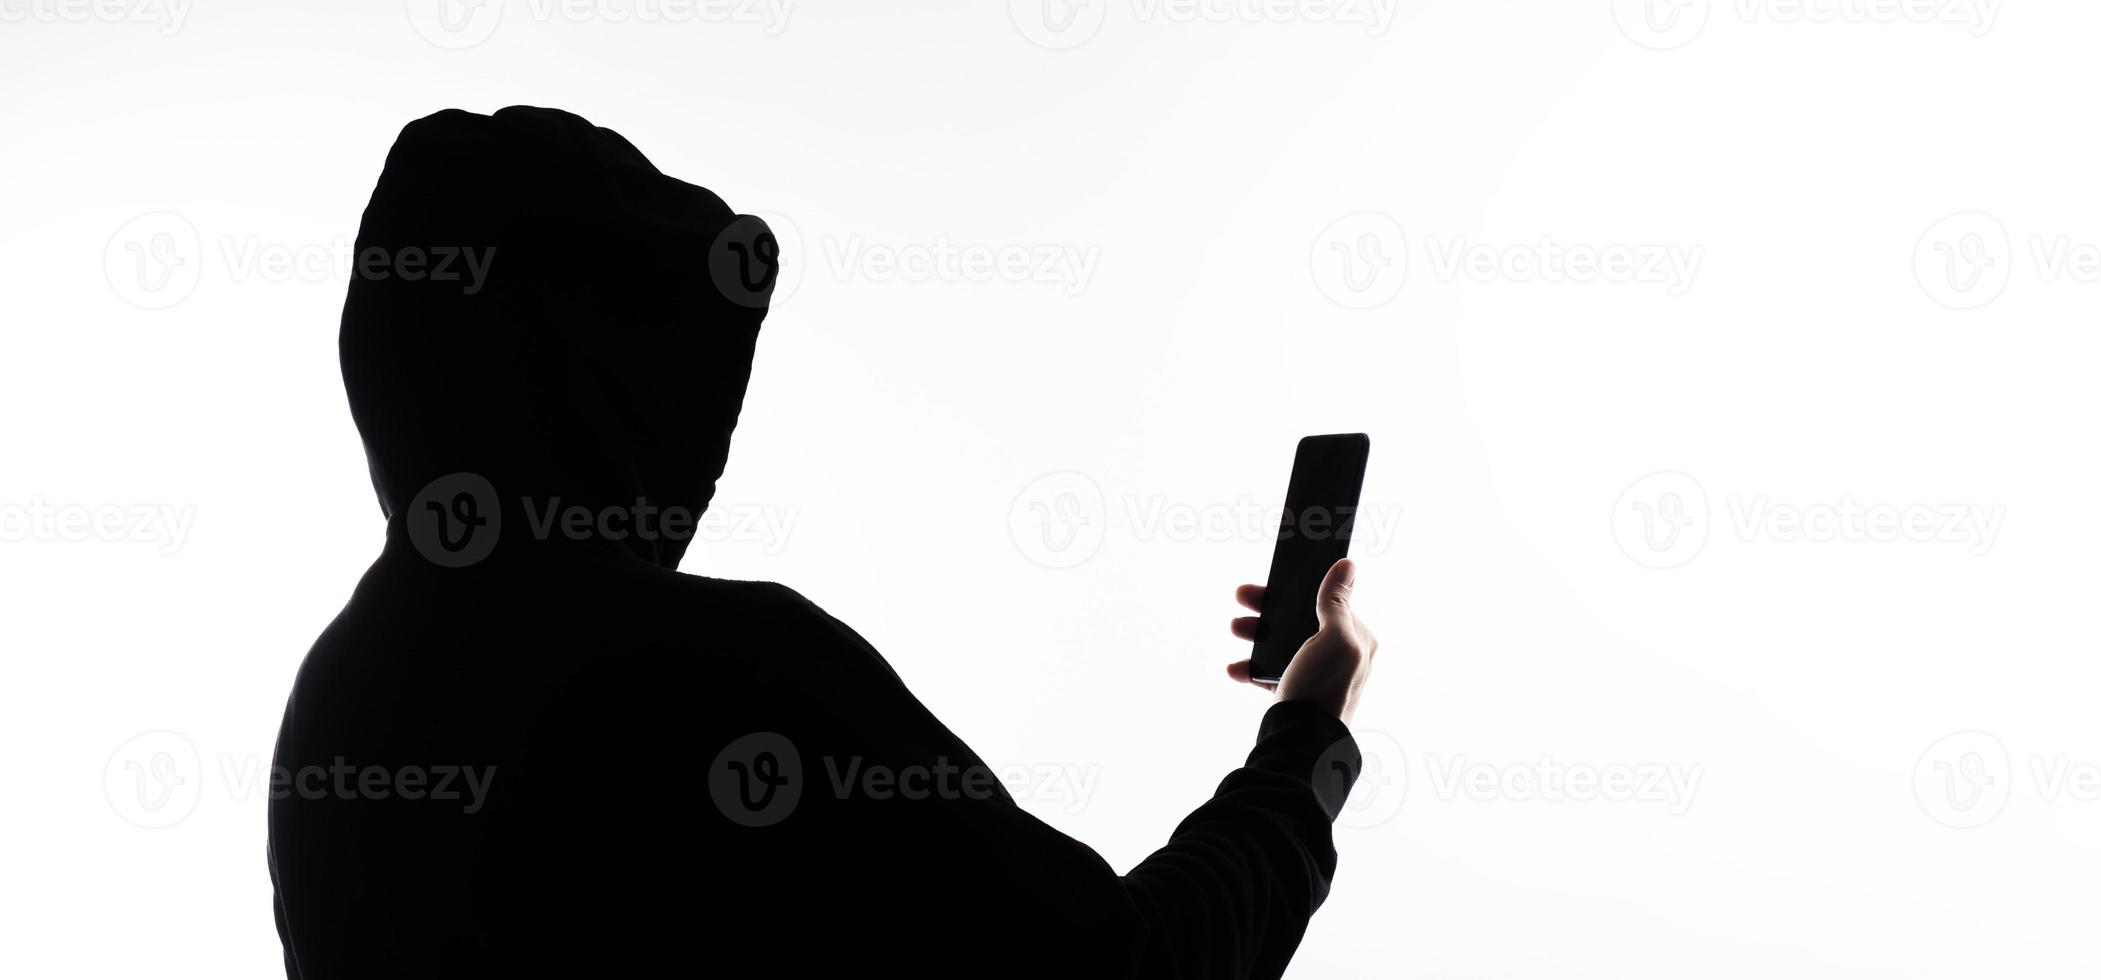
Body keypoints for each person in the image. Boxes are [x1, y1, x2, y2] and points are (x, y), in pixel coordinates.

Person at [266, 105, 1378, 979]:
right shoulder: (723, 670)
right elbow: (1132, 970)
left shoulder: (335, 706)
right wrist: (1307, 735)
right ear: (613, 375)